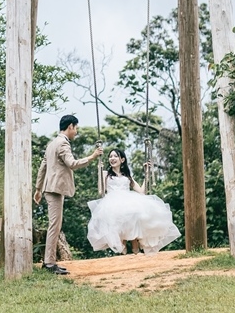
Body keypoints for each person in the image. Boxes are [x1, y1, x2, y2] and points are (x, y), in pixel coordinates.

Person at [34, 114, 103, 275]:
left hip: (49, 189)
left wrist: (38, 189)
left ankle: (49, 262)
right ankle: (49, 263)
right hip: (55, 190)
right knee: (54, 226)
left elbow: (42, 167)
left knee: (55, 225)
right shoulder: (63, 144)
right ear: (70, 126)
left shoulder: (52, 144)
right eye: (76, 128)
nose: (76, 131)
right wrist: (93, 156)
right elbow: (72, 164)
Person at [87, 148, 181, 255]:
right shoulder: (105, 174)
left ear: (122, 160)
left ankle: (135, 250)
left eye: (115, 156)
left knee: (135, 215)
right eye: (110, 156)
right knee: (120, 218)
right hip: (112, 202)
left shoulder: (127, 176)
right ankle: (124, 249)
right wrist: (99, 171)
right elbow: (101, 191)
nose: (112, 158)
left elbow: (141, 191)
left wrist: (147, 174)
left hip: (127, 201)